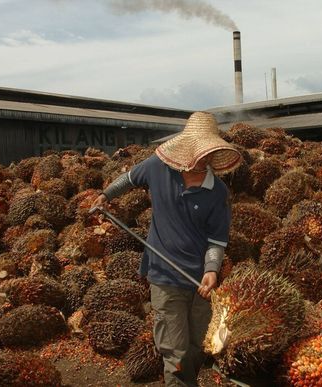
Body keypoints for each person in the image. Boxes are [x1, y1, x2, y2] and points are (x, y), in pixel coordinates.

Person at [91, 112, 242, 387]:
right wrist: (106, 195)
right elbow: (129, 178)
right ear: (187, 147)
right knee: (175, 352)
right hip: (164, 276)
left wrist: (211, 270)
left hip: (199, 283)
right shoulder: (157, 167)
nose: (203, 158)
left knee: (198, 344)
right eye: (200, 151)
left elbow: (217, 241)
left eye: (209, 152)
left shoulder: (217, 192)